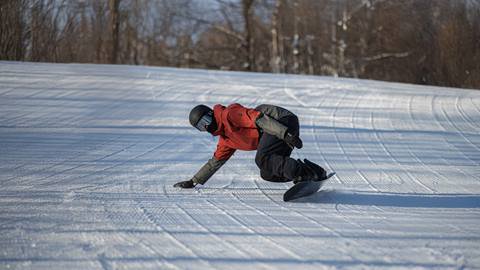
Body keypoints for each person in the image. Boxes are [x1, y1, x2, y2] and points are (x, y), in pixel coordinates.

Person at [173, 103, 327, 188]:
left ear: (211, 114)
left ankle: (301, 174)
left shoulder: (229, 114)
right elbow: (215, 162)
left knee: (263, 158)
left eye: (205, 121)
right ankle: (312, 172)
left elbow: (258, 118)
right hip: (276, 131)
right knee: (267, 173)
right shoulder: (225, 139)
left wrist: (285, 133)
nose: (206, 126)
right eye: (201, 127)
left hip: (280, 121)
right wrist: (193, 181)